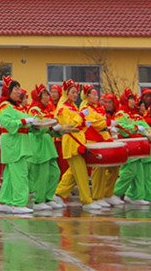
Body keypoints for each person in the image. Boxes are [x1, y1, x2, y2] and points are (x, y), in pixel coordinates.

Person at [54, 80, 100, 211]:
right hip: (72, 142)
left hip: (79, 140)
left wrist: (85, 124)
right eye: (72, 92)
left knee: (73, 173)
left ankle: (59, 193)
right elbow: (68, 126)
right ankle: (87, 201)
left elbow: (78, 124)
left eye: (76, 92)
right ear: (66, 93)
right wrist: (80, 117)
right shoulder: (62, 109)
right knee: (81, 174)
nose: (75, 95)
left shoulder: (73, 106)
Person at [0, 80, 35, 214]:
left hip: (20, 142)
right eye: (15, 89)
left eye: (19, 89)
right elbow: (7, 123)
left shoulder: (17, 106)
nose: (19, 92)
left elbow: (25, 122)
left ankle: (4, 201)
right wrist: (24, 121)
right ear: (8, 91)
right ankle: (18, 204)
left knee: (10, 176)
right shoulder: (4, 106)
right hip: (14, 143)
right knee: (20, 175)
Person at [27, 84, 62, 210]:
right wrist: (51, 126)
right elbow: (37, 128)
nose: (48, 97)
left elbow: (49, 127)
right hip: (39, 144)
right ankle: (39, 200)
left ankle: (48, 197)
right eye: (45, 95)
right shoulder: (34, 110)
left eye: (48, 95)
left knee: (55, 172)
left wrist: (59, 130)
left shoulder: (46, 109)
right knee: (42, 175)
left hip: (47, 144)